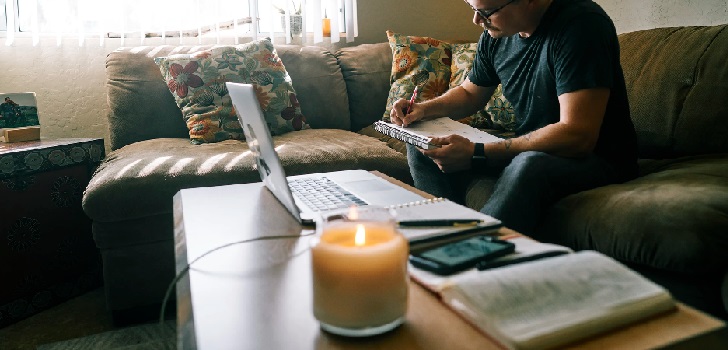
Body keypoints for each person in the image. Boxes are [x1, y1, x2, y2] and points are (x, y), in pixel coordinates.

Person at [389, 0, 638, 237]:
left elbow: (577, 134)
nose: (477, 20)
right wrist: (422, 110)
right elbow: (469, 93)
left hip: (596, 158)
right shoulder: (497, 33)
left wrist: (478, 152)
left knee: (528, 165)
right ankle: (443, 233)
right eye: (472, 8)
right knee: (424, 141)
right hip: (531, 147)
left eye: (487, 12)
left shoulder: (582, 26)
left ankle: (475, 250)